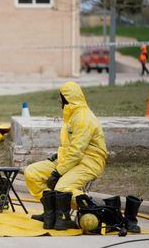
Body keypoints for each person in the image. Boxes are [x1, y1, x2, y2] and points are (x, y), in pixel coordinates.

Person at [24, 81, 108, 230]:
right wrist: (58, 156)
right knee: (32, 173)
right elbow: (72, 145)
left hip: (89, 162)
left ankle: (95, 209)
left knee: (62, 189)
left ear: (69, 98)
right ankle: (51, 213)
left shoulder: (83, 118)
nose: (59, 100)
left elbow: (76, 151)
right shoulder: (71, 116)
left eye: (61, 97)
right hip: (69, 161)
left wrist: (57, 173)